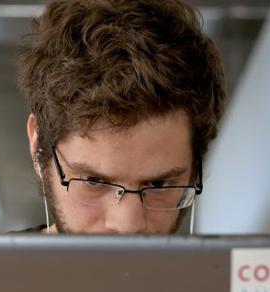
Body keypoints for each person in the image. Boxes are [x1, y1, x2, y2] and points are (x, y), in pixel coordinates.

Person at [16, 0, 226, 234]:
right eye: (93, 182)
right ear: (38, 148)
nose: (127, 226)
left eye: (159, 185)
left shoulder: (229, 270)